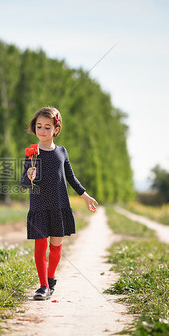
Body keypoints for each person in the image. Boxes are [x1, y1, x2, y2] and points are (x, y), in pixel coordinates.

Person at [20, 106, 98, 300]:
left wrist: (85, 195)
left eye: (47, 127)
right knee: (40, 246)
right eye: (39, 126)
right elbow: (23, 182)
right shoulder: (32, 154)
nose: (43, 131)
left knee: (56, 245)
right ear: (34, 128)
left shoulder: (62, 152)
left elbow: (71, 178)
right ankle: (43, 286)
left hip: (58, 206)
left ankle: (51, 278)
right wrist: (29, 175)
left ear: (56, 129)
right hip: (38, 206)